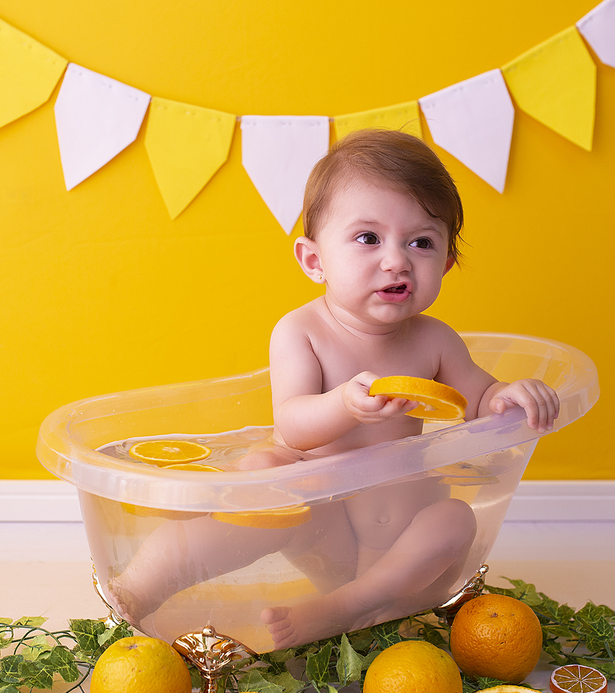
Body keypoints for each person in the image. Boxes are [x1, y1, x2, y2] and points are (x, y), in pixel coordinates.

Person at [110, 129, 559, 648]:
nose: (397, 260)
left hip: (398, 548)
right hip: (326, 535)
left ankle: (356, 603)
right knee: (267, 482)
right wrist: (344, 404)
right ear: (314, 260)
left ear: (447, 265)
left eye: (422, 242)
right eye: (368, 238)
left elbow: (479, 401)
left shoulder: (436, 341)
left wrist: (508, 396)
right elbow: (293, 426)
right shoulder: (303, 331)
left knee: (457, 522)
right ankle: (146, 582)